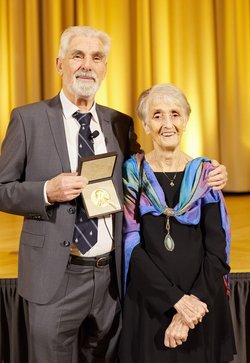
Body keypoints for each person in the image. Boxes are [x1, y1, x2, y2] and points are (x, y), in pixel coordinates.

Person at [0, 26, 227, 363]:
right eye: (78, 56)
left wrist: (211, 171)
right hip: (54, 277)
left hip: (111, 280)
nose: (87, 65)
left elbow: (152, 166)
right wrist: (47, 190)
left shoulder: (118, 124)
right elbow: (3, 190)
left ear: (105, 68)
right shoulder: (28, 119)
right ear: (59, 63)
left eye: (97, 58)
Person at [119, 84, 236, 363]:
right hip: (151, 304)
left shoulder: (205, 173)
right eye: (157, 115)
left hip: (202, 306)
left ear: (185, 120)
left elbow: (217, 253)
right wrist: (176, 301)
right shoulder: (133, 171)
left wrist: (188, 312)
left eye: (175, 114)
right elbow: (130, 243)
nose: (167, 123)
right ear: (145, 124)